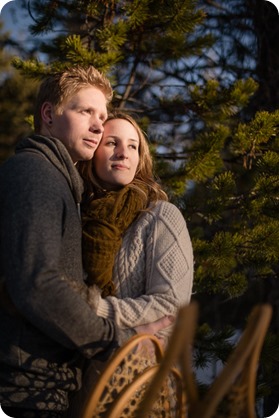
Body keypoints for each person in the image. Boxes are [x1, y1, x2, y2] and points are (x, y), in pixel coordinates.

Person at [0, 66, 171, 418]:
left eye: (102, 116)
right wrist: (113, 341)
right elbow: (38, 285)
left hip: (44, 385)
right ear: (48, 114)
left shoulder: (60, 183)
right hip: (24, 391)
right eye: (85, 112)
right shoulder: (35, 174)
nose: (98, 125)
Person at [68, 111, 194, 415]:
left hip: (147, 384)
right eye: (112, 143)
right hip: (84, 385)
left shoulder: (160, 217)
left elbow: (169, 306)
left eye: (133, 146)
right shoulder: (76, 216)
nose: (124, 152)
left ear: (141, 158)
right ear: (93, 152)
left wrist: (94, 309)